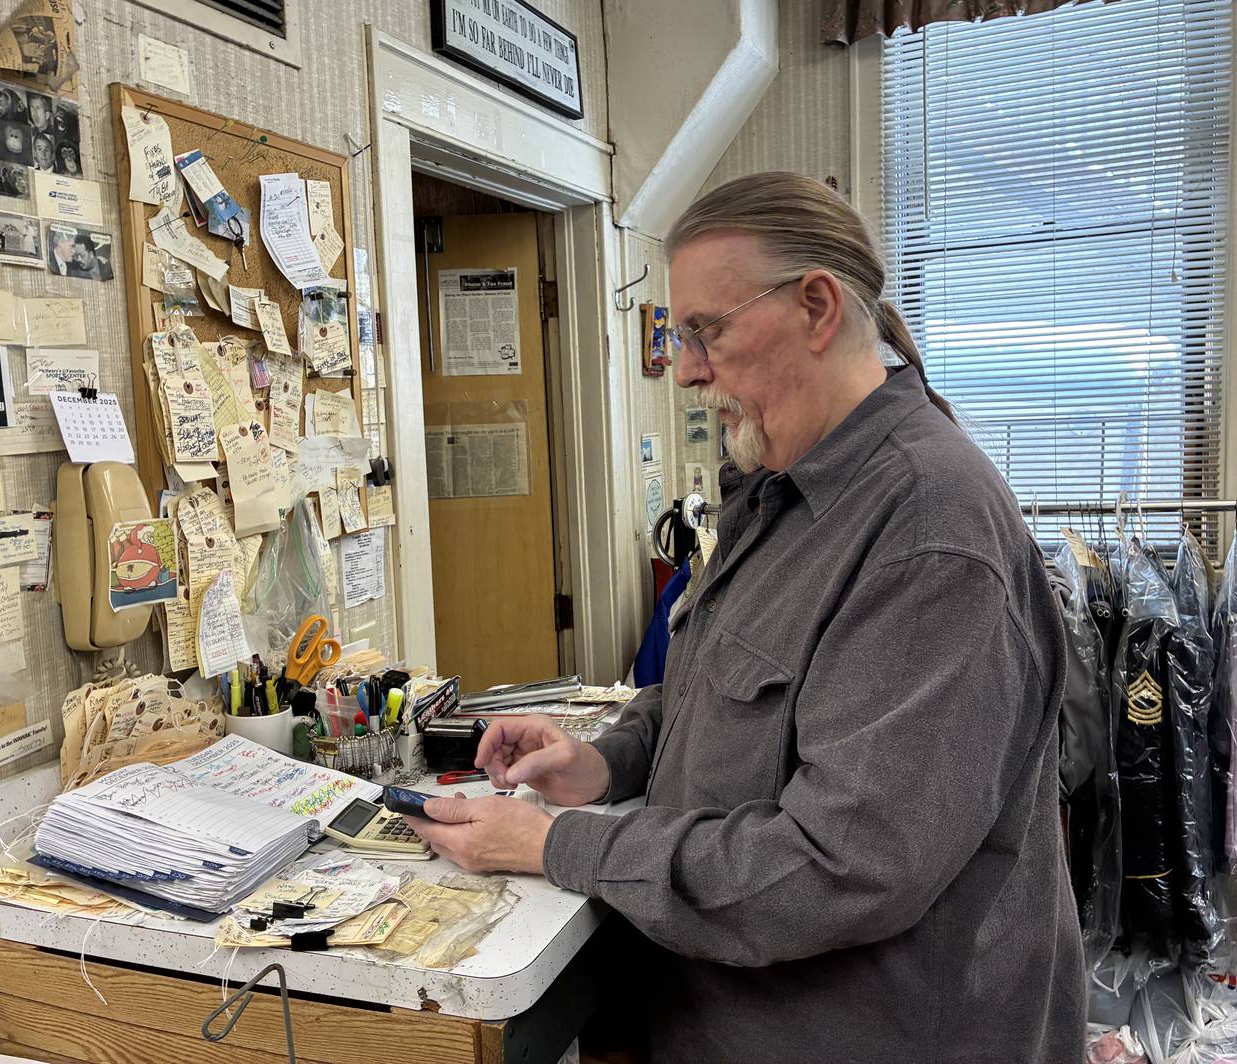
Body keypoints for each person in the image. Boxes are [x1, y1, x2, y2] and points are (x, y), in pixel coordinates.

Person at [406, 171, 1086, 1062]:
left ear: (816, 307)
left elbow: (839, 868)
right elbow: (718, 693)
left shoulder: (927, 534)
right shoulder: (780, 489)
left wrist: (561, 845)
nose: (685, 368)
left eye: (706, 331)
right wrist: (599, 766)